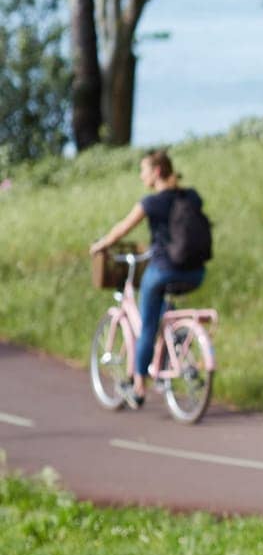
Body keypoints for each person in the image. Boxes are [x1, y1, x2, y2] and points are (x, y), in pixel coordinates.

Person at [89, 149, 207, 409]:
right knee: (162, 308)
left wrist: (101, 245)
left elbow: (123, 227)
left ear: (156, 172)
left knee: (147, 326)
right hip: (196, 271)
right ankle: (172, 346)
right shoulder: (191, 197)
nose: (141, 175)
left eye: (143, 170)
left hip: (163, 269)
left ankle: (139, 385)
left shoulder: (151, 203)